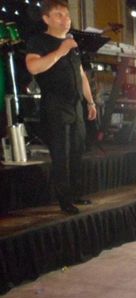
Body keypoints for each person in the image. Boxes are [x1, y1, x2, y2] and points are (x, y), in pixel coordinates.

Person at [25, 0, 96, 215]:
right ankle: (64, 200)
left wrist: (90, 102)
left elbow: (81, 74)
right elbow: (33, 67)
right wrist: (61, 50)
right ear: (46, 19)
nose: (65, 19)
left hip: (76, 106)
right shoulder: (39, 41)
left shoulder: (71, 42)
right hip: (55, 105)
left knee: (77, 151)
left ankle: (75, 193)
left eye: (67, 15)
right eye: (58, 15)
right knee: (61, 154)